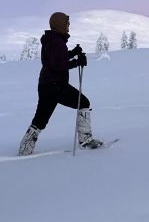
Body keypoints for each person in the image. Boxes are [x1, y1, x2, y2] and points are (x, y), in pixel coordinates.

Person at [18, 12, 103, 156]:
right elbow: (58, 64)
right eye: (66, 23)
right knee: (83, 102)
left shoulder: (52, 40)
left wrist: (73, 53)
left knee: (40, 119)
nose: (68, 26)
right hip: (56, 85)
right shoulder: (57, 42)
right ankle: (85, 140)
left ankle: (25, 149)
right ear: (59, 24)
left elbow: (56, 59)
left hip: (47, 85)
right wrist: (77, 62)